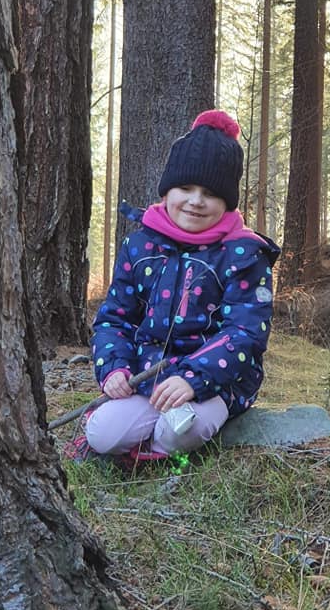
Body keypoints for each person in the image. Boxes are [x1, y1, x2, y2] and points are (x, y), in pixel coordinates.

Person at [81, 109, 279, 463]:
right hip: (147, 377)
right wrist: (114, 368)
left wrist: (193, 378)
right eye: (185, 188)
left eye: (210, 193)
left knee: (178, 431)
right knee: (102, 434)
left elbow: (245, 333)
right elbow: (115, 319)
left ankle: (160, 448)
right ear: (167, 190)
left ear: (227, 202)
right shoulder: (139, 247)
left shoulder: (245, 254)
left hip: (215, 382)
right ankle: (142, 439)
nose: (195, 201)